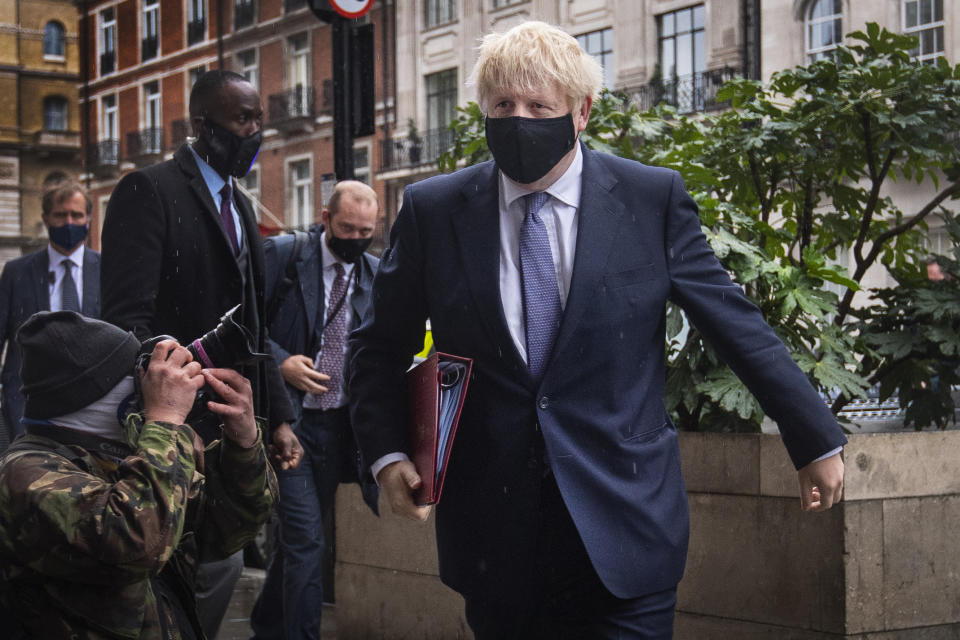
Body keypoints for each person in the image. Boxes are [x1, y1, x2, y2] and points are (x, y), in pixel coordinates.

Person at [347, 21, 847, 639]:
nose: (519, 119)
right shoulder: (434, 210)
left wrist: (814, 439)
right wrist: (389, 453)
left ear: (580, 112)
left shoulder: (650, 198)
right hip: (494, 541)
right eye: (503, 105)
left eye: (538, 106)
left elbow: (733, 321)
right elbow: (377, 344)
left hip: (627, 526)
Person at [100, 69, 301, 638]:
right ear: (201, 124)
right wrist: (172, 392)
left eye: (259, 118)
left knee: (219, 564)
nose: (255, 130)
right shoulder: (150, 190)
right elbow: (126, 320)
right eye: (243, 119)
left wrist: (279, 417)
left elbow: (256, 325)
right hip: (171, 432)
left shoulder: (241, 205)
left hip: (233, 431)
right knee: (184, 571)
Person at [0, 310, 277, 639]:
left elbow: (224, 531)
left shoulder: (118, 458)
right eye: (138, 379)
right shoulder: (22, 474)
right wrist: (165, 424)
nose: (149, 390)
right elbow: (135, 545)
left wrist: (242, 444)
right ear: (91, 398)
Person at [250, 180, 380, 640]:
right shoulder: (284, 256)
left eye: (367, 230)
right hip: (291, 425)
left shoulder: (373, 275)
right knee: (306, 542)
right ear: (326, 220)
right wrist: (280, 362)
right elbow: (241, 328)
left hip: (338, 430)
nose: (356, 239)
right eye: (347, 228)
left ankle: (266, 628)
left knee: (296, 544)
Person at [0, 181, 100, 444]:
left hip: (91, 411)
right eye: (60, 215)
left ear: (88, 219)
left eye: (76, 215)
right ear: (46, 219)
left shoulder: (107, 270)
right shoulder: (16, 273)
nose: (69, 222)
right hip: (27, 409)